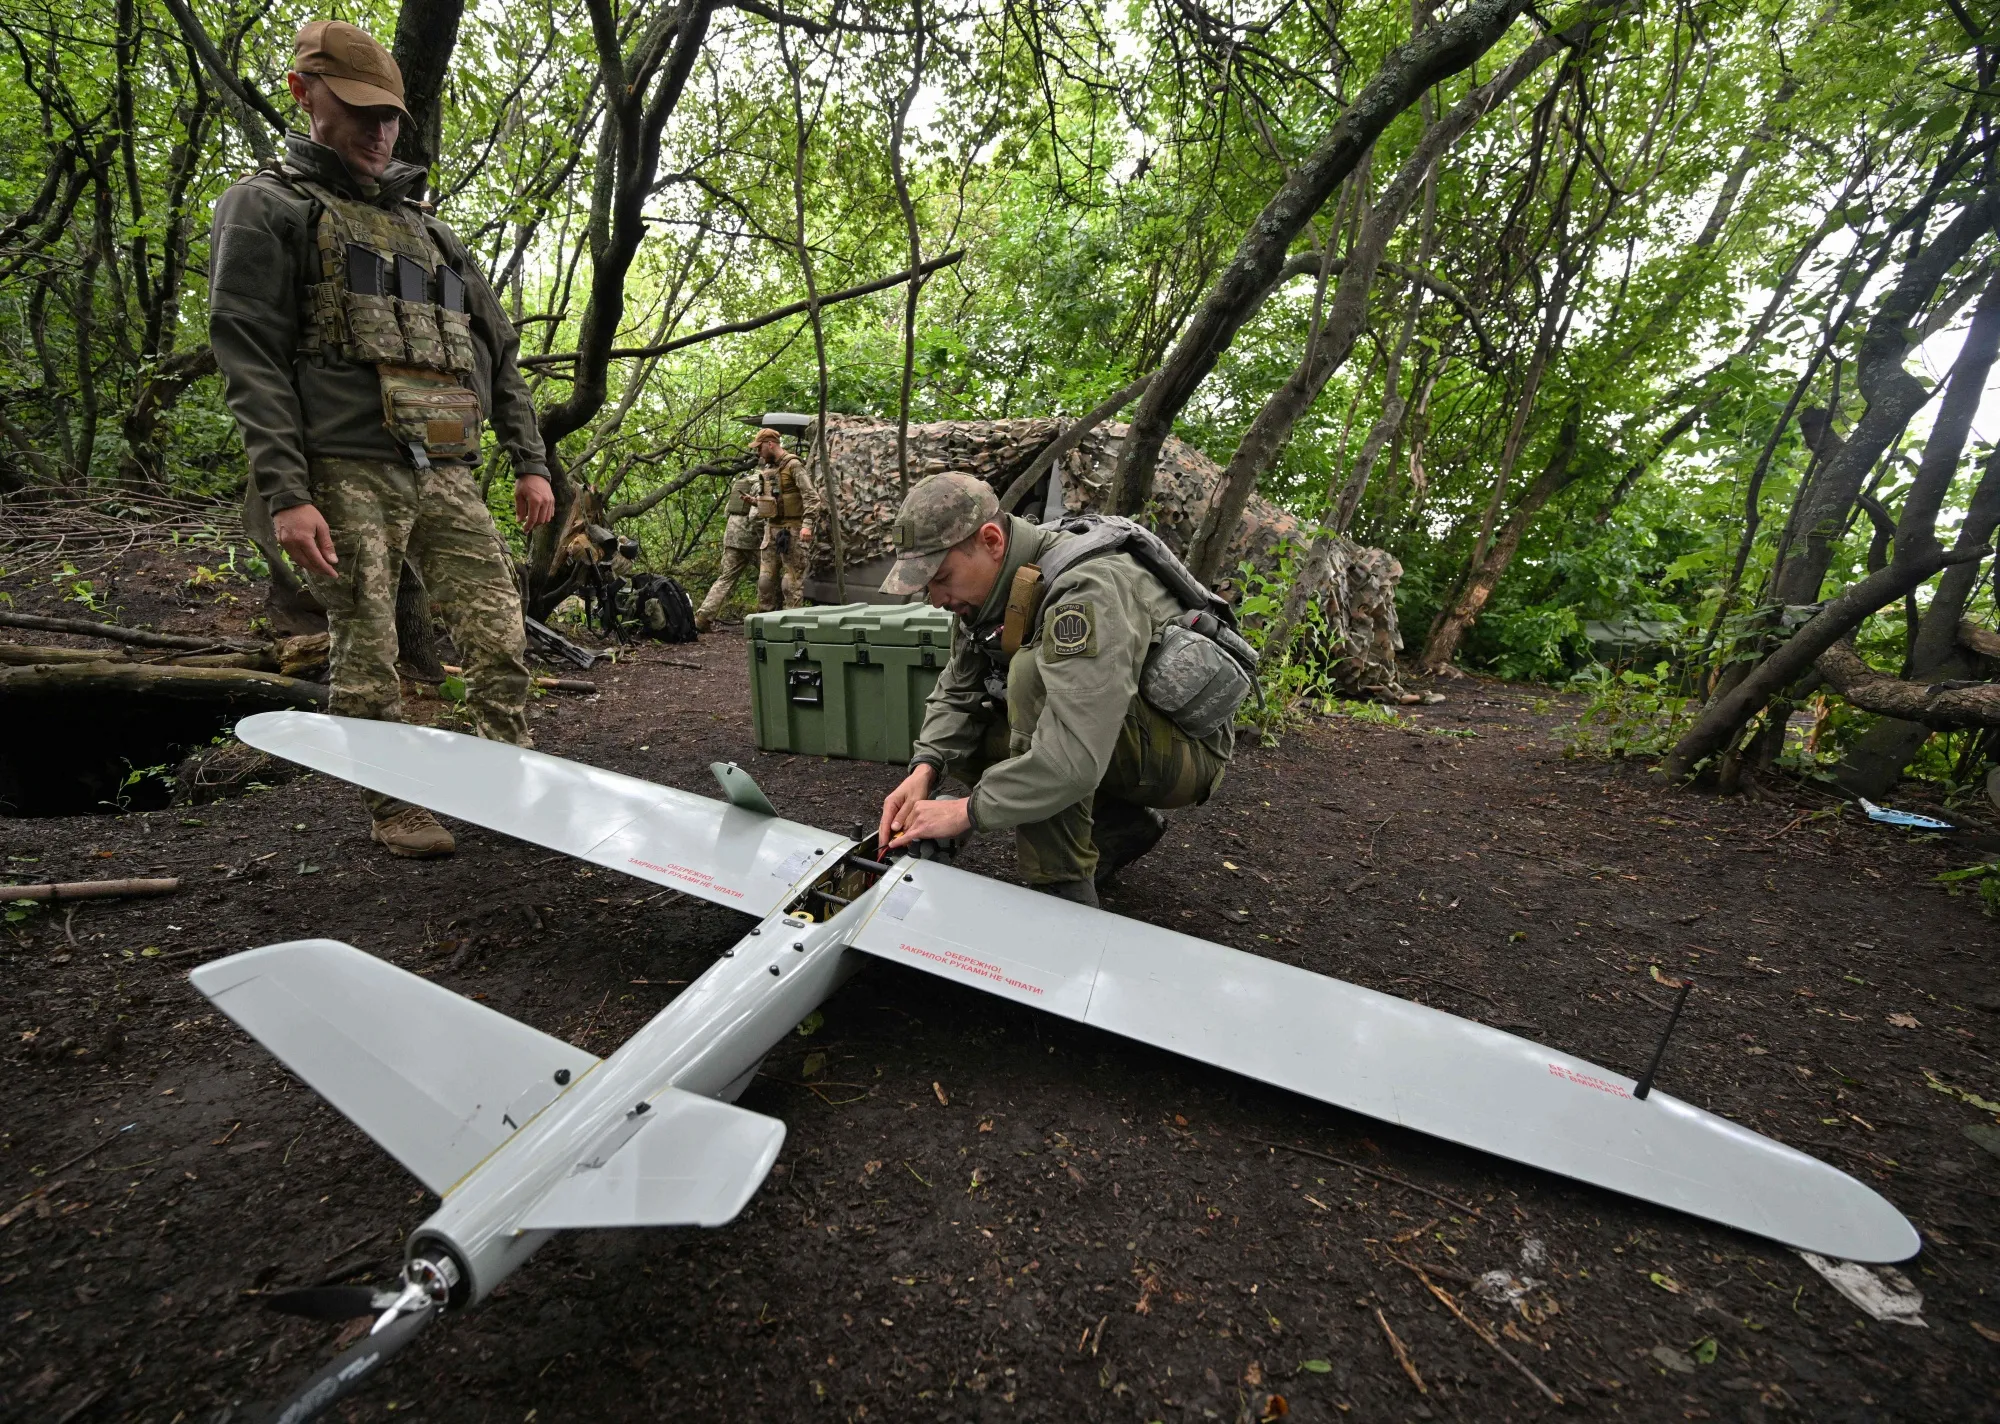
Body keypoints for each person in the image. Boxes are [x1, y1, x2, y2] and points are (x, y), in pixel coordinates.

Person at [209, 19, 554, 859]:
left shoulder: (431, 233)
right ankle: (395, 803)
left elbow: (495, 353)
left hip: (444, 464)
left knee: (499, 631)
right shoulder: (267, 206)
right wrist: (288, 493)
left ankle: (506, 780)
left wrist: (531, 461)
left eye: (391, 114)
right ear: (304, 93)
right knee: (368, 643)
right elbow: (248, 352)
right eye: (359, 109)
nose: (379, 130)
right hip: (343, 465)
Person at [875, 473, 1238, 906]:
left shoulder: (1085, 589)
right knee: (969, 737)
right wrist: (925, 771)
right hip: (1115, 736)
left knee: (1030, 675)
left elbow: (1073, 757)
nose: (934, 598)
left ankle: (1062, 889)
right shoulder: (994, 586)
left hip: (1182, 755)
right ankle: (1116, 824)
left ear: (991, 540)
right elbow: (958, 690)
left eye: (941, 577)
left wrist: (965, 812)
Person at [750, 428, 823, 609]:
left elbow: (811, 497)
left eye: (759, 448)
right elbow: (774, 501)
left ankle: (791, 624)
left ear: (770, 444)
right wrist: (755, 502)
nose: (757, 452)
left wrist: (807, 525)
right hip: (771, 530)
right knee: (765, 581)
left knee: (790, 583)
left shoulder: (793, 465)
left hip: (793, 530)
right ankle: (764, 625)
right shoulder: (768, 469)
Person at [694, 466, 767, 631]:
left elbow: (727, 510)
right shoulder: (762, 483)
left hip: (731, 534)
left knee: (725, 578)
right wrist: (763, 537)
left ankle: (702, 618)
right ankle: (768, 618)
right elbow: (755, 516)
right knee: (769, 577)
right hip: (750, 538)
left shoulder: (742, 482)